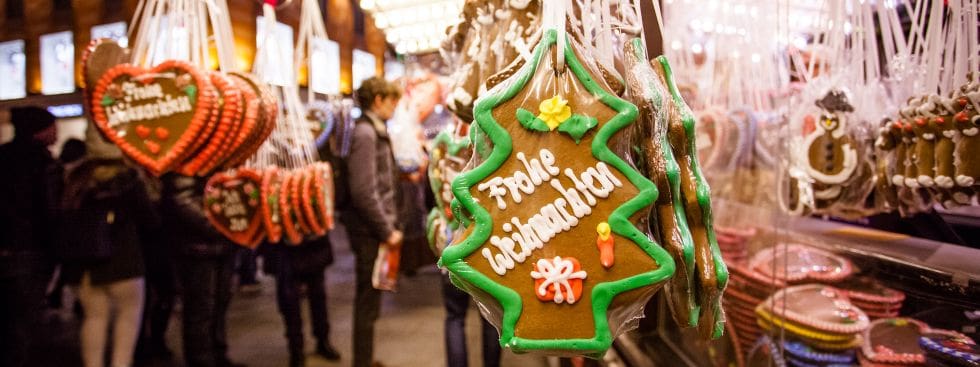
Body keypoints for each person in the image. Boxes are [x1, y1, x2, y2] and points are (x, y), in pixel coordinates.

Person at [58, 128, 160, 367]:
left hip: (83, 264)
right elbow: (151, 220)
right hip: (124, 260)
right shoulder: (129, 178)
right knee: (128, 318)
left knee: (94, 318)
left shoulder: (74, 177)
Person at [343, 76, 404, 367]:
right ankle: (362, 361)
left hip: (375, 228)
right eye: (392, 101)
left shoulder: (373, 131)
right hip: (369, 230)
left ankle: (365, 359)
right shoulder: (365, 134)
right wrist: (386, 229)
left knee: (373, 295)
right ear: (378, 100)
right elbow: (364, 191)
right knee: (367, 299)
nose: (394, 108)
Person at [160, 173, 244, 367]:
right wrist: (220, 225)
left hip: (220, 243)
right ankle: (201, 359)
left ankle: (218, 354)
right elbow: (181, 200)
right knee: (201, 307)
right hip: (197, 246)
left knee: (220, 302)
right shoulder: (186, 163)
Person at [0, 106, 62, 367]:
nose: (55, 132)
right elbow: (47, 210)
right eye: (51, 126)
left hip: (9, 246)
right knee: (26, 317)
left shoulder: (4, 156)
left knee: (8, 316)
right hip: (30, 247)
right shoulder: (42, 164)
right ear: (39, 130)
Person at [264, 236, 341, 367]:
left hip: (313, 242)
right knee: (289, 301)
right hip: (284, 247)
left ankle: (322, 340)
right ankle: (296, 349)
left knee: (318, 296)